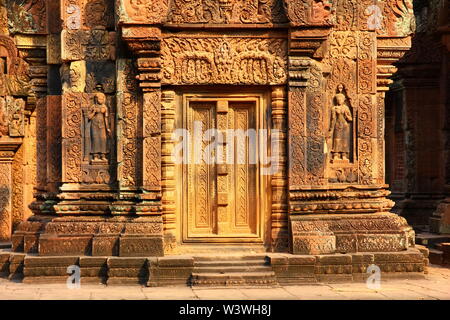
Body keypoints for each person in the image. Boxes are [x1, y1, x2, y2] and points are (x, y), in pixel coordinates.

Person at [328, 84, 352, 162]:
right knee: (337, 140)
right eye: (338, 99)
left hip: (345, 126)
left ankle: (344, 155)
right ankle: (336, 154)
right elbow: (333, 119)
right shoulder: (334, 108)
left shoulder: (346, 108)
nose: (339, 101)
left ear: (343, 100)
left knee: (344, 140)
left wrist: (346, 116)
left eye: (341, 99)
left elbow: (350, 118)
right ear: (336, 100)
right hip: (337, 125)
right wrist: (331, 129)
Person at [88, 93, 110, 162]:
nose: (101, 100)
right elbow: (89, 117)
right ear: (96, 99)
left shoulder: (105, 107)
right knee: (95, 139)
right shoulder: (93, 107)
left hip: (102, 125)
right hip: (94, 125)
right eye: (99, 99)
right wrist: (94, 112)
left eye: (102, 99)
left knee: (103, 139)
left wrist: (107, 128)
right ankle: (95, 156)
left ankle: (103, 155)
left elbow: (106, 118)